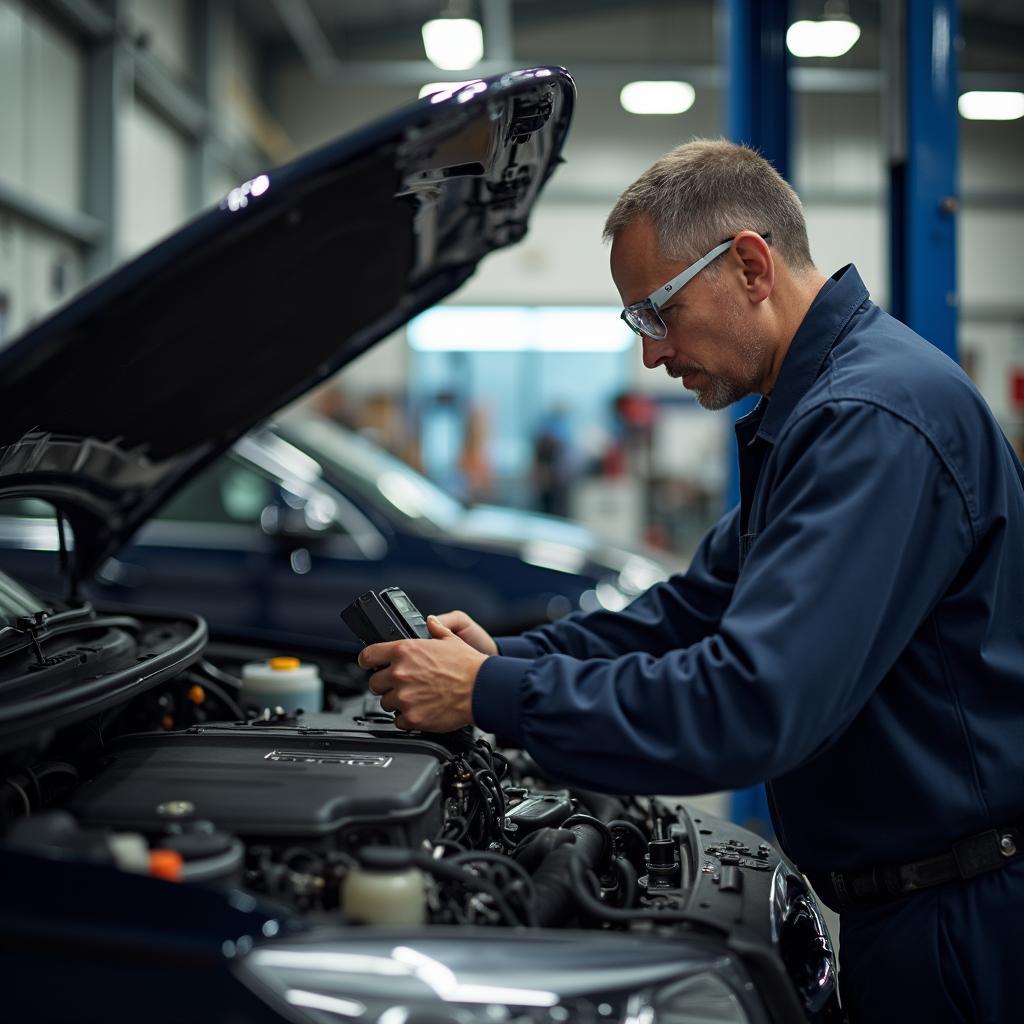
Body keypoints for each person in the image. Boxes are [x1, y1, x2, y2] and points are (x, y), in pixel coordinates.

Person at [358, 139, 1024, 1022]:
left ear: (749, 264)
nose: (652, 354)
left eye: (656, 313)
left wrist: (495, 696)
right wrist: (502, 660)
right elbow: (686, 614)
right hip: (908, 903)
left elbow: (750, 704)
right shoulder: (818, 409)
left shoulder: (871, 421)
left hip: (960, 924)